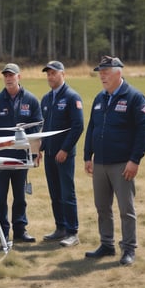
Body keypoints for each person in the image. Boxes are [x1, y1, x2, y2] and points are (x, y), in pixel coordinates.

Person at [84, 55, 145, 265]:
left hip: (122, 164)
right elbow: (92, 128)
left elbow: (144, 129)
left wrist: (135, 160)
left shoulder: (135, 97)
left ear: (118, 73)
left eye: (106, 73)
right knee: (102, 207)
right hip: (101, 163)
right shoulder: (99, 98)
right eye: (100, 73)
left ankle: (129, 248)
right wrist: (88, 156)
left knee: (125, 209)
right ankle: (107, 244)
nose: (102, 76)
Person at [0, 63, 43, 242]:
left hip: (21, 157)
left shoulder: (31, 100)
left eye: (12, 75)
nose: (9, 78)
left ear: (19, 77)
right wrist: (8, 140)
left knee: (20, 197)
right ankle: (2, 231)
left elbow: (38, 126)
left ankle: (20, 230)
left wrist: (30, 147)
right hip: (1, 157)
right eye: (6, 76)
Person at [40, 61, 84, 247]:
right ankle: (60, 228)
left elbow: (78, 126)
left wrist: (65, 149)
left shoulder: (72, 96)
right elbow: (43, 128)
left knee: (67, 194)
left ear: (63, 74)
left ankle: (72, 232)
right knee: (54, 193)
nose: (50, 77)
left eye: (54, 73)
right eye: (48, 74)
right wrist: (39, 150)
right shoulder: (46, 99)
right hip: (49, 155)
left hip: (64, 155)